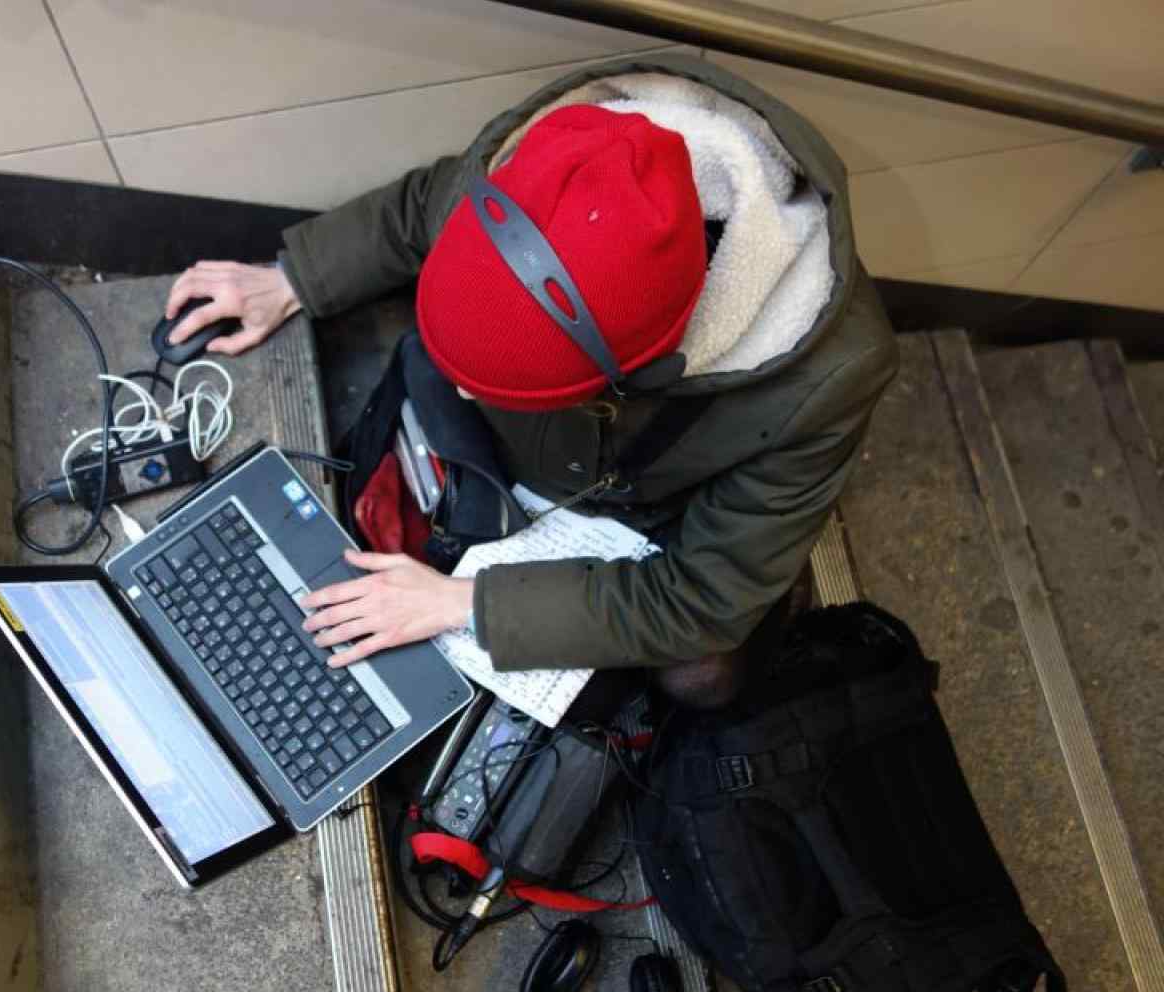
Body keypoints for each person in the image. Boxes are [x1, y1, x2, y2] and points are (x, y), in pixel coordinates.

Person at [162, 53, 896, 707]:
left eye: (505, 385)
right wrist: (295, 277)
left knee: (705, 678)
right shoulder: (535, 169)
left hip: (651, 502)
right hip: (553, 463)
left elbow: (704, 599)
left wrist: (464, 605)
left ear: (646, 366)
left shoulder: (830, 375)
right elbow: (420, 209)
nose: (470, 395)